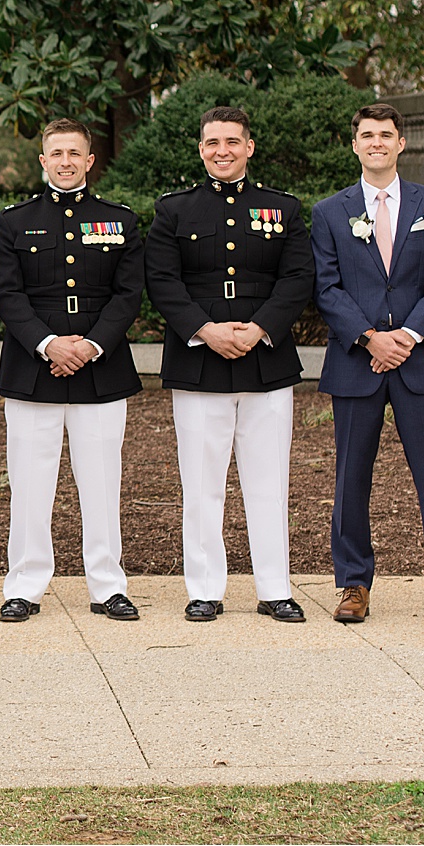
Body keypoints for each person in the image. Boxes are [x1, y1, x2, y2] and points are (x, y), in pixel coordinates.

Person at [143, 105, 314, 624]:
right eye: (213, 142)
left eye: (232, 142)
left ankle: (274, 588)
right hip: (200, 363)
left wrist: (260, 328)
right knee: (200, 483)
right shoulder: (175, 211)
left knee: (269, 480)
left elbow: (297, 278)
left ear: (250, 147)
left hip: (266, 360)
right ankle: (205, 589)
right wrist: (206, 330)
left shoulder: (281, 209)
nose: (223, 151)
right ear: (201, 150)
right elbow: (163, 282)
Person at [311, 103, 424, 627]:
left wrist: (404, 336)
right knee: (350, 478)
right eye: (366, 135)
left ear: (402, 143)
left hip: (420, 362)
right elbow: (326, 287)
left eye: (385, 134)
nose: (376, 142)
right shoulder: (330, 212)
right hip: (357, 363)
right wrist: (369, 338)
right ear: (353, 144)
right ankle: (353, 584)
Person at [0, 118, 145, 623]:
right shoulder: (14, 222)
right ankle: (25, 587)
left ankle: (107, 586)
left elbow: (128, 295)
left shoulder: (118, 219)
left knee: (101, 483)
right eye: (55, 153)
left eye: (74, 153)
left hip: (100, 369)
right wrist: (49, 344)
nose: (65, 162)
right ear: (42, 160)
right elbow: (7, 295)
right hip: (34, 367)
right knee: (30, 484)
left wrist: (92, 345)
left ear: (89, 159)